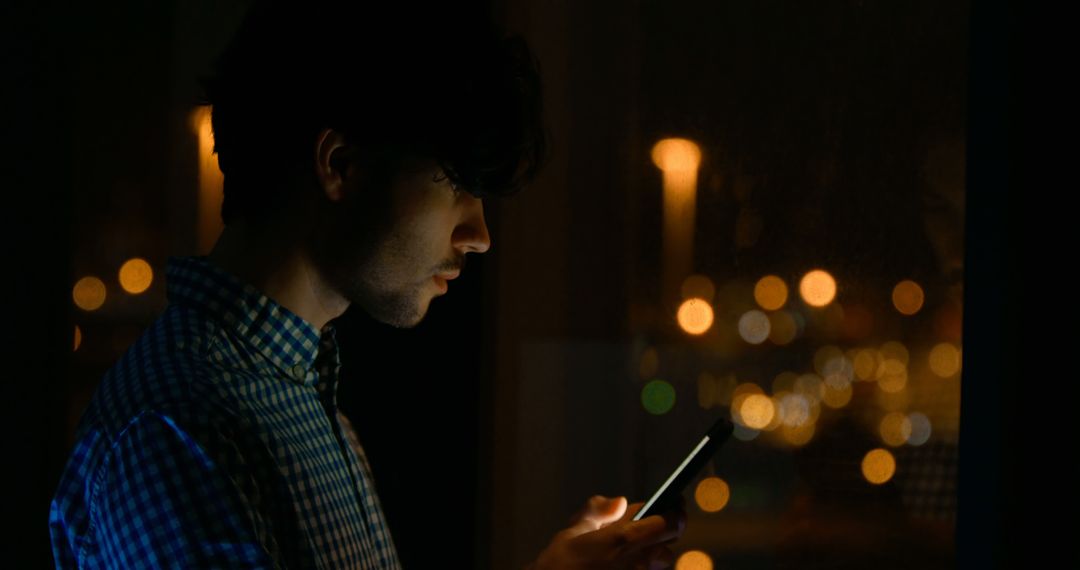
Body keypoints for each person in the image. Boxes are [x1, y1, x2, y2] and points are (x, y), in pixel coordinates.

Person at [48, 1, 685, 568]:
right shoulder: (178, 431)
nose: (480, 235)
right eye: (457, 184)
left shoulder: (302, 400)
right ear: (340, 165)